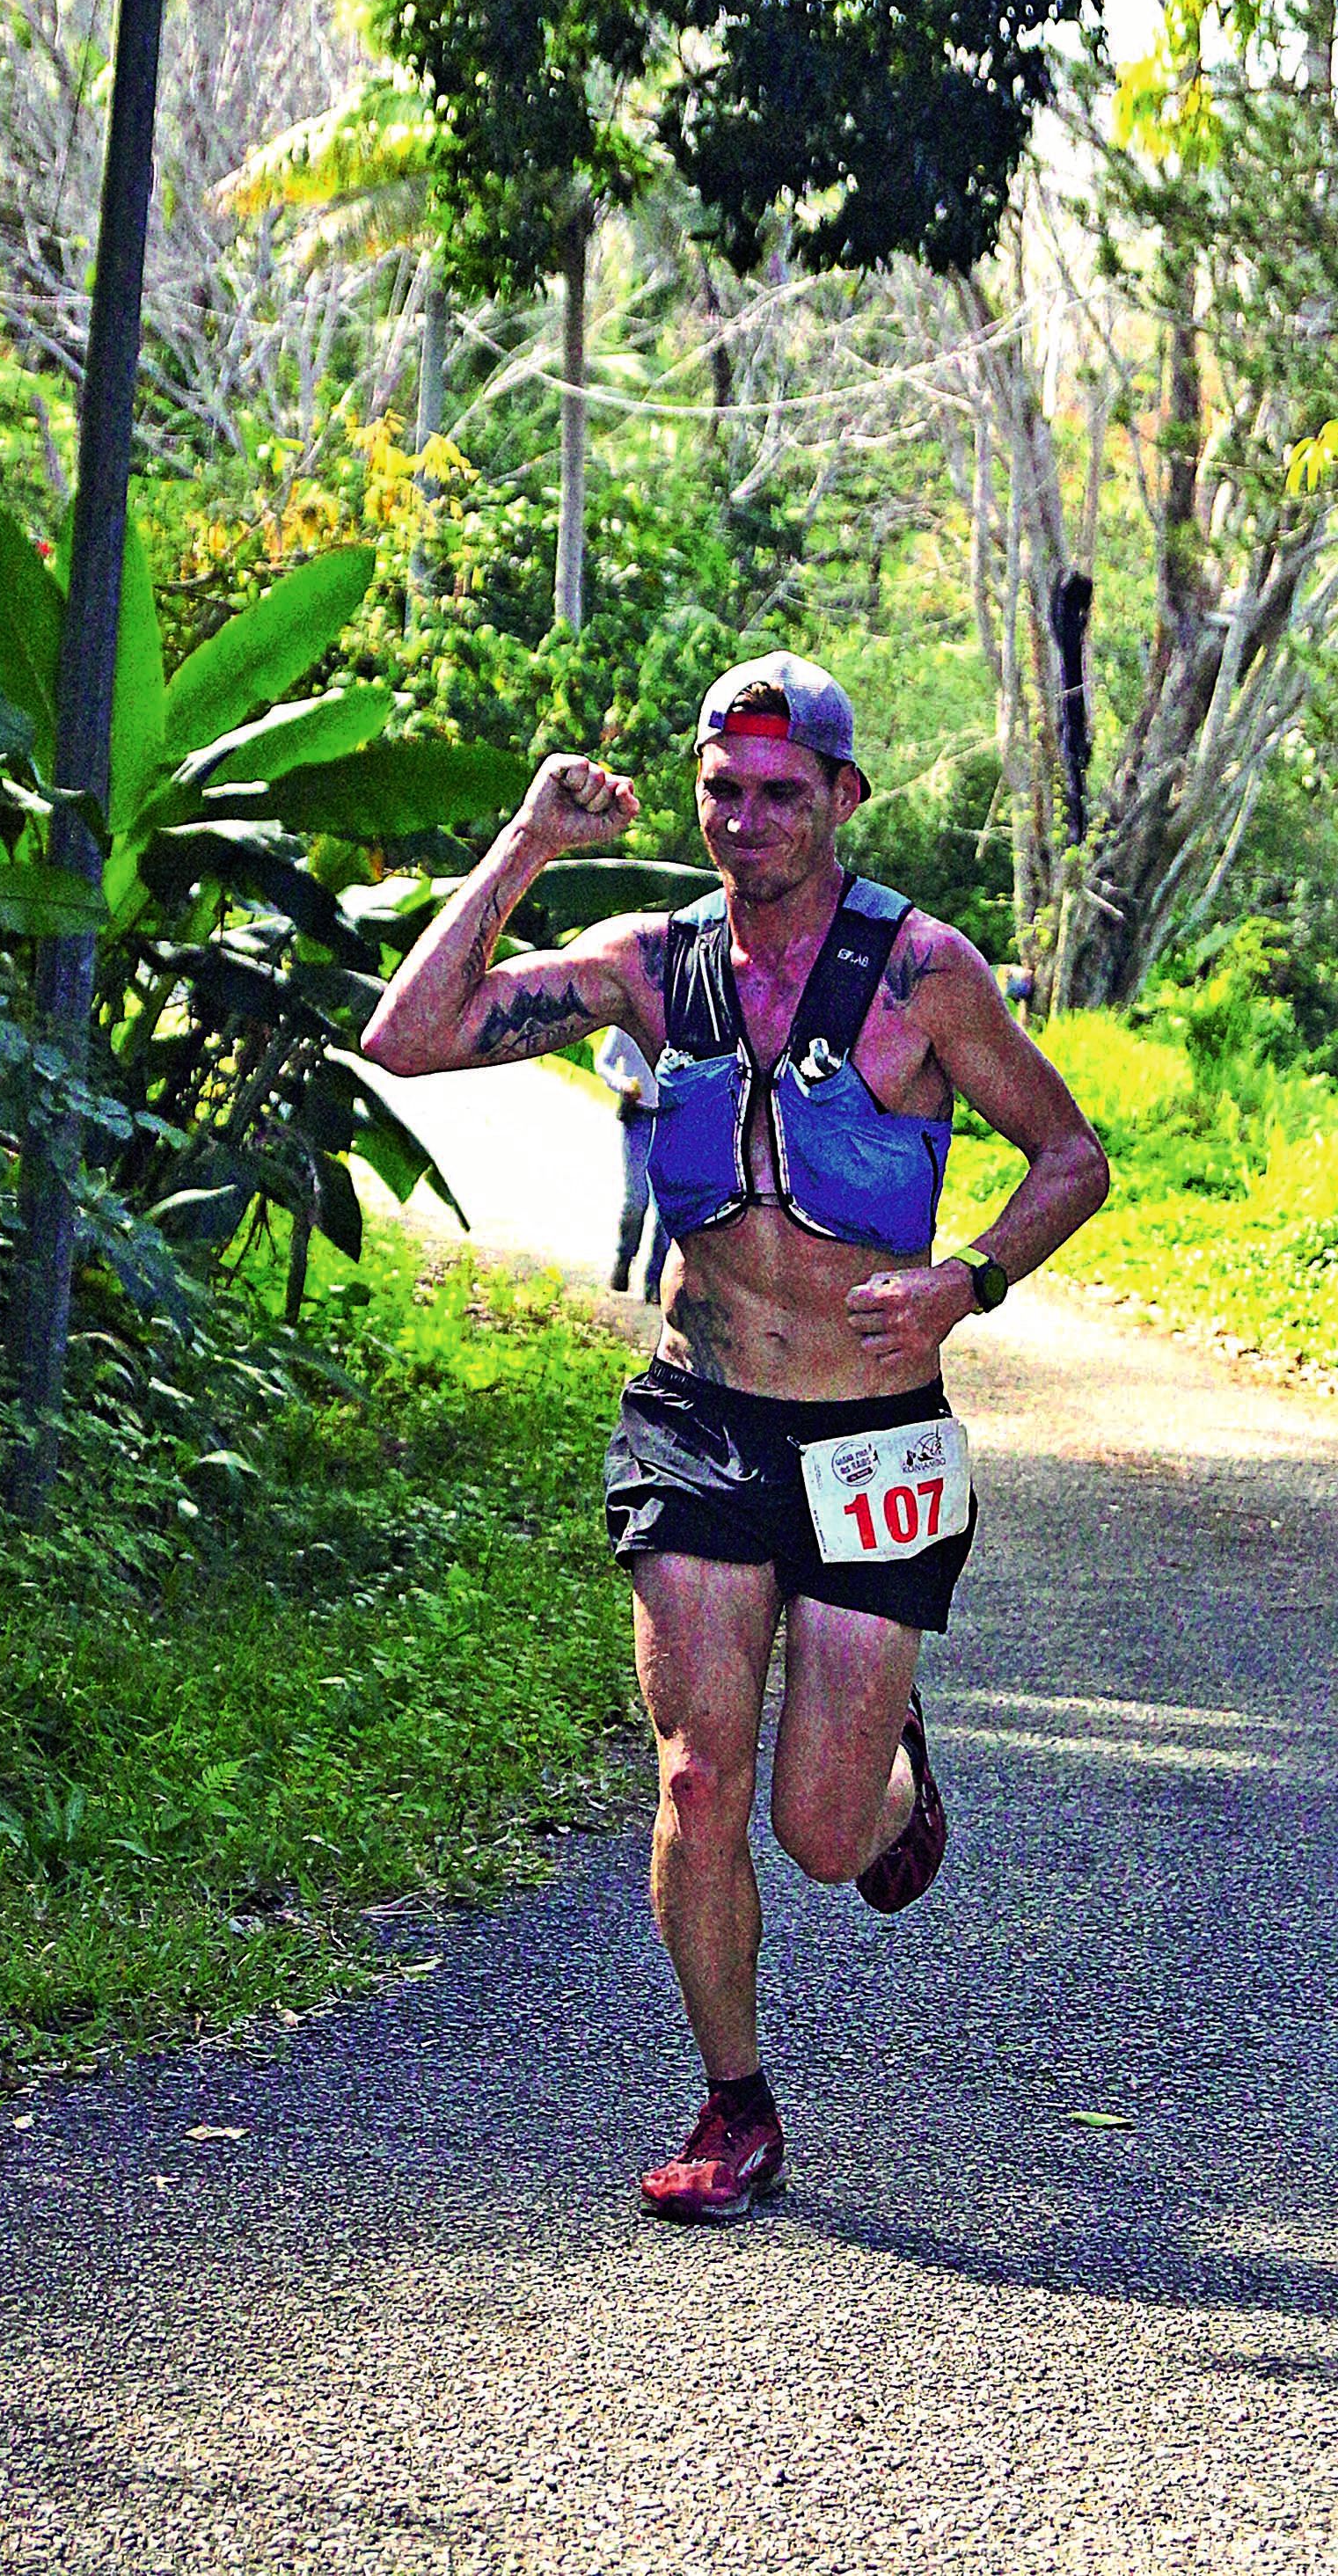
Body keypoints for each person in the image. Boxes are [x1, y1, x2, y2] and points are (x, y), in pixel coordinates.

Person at [362, 652, 1108, 2223]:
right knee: (698, 1784)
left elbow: (1067, 1155)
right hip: (694, 1420)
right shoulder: (646, 963)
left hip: (868, 1436)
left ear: (840, 797)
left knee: (819, 1833)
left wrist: (966, 1278)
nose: (746, 819)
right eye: (720, 790)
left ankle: (887, 1774)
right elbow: (409, 1034)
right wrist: (523, 846)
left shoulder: (921, 974)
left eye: (780, 792)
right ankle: (734, 2099)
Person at [596, 1024, 669, 1298]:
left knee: (666, 1208)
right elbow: (603, 1062)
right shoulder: (625, 1025)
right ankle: (624, 1259)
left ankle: (656, 1280)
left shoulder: (679, 1014)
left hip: (670, 1119)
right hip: (637, 1119)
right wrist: (621, 1083)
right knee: (636, 1200)